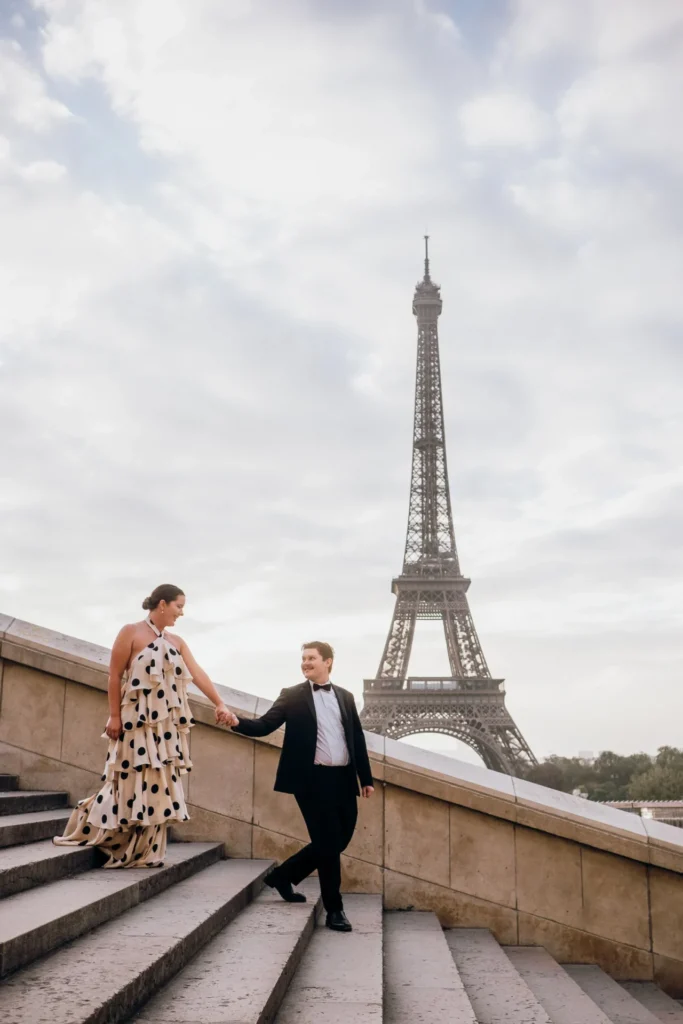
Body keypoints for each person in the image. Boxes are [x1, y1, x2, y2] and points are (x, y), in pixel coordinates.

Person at [54, 584, 238, 867]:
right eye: (179, 606)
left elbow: (197, 673)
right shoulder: (131, 631)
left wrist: (219, 703)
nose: (181, 612)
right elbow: (114, 675)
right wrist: (114, 716)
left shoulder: (177, 642)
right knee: (129, 779)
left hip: (165, 727)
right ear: (162, 604)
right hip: (135, 721)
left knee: (158, 784)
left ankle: (147, 851)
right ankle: (110, 832)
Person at [231, 640, 374, 932]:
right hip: (311, 781)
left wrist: (366, 778)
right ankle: (335, 910)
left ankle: (283, 876)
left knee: (340, 839)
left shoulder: (345, 696)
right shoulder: (292, 695)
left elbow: (356, 738)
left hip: (343, 779)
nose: (306, 663)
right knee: (328, 845)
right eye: (304, 658)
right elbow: (265, 725)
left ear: (328, 662)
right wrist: (236, 721)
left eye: (312, 658)